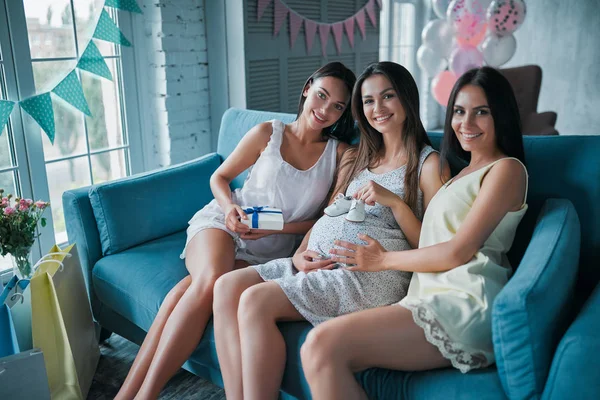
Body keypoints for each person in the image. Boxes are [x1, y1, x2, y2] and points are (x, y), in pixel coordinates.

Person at [114, 61, 357, 400]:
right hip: (223, 224)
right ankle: (145, 395)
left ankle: (127, 395)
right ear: (307, 89)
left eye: (337, 106)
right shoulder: (268, 133)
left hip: (272, 247)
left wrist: (281, 228)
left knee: (187, 292)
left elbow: (327, 217)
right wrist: (230, 209)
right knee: (210, 279)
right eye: (321, 95)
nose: (325, 109)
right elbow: (220, 178)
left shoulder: (340, 154)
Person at [212, 61, 449, 400]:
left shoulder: (429, 164)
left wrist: (395, 204)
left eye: (388, 97)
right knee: (226, 286)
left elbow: (433, 245)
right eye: (368, 101)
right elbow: (328, 213)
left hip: (368, 275)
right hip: (322, 261)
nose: (377, 109)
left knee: (255, 301)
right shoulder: (363, 155)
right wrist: (299, 251)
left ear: (407, 99)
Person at [300, 66, 529, 400]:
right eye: (459, 111)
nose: (466, 124)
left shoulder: (506, 169)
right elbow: (429, 241)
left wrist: (382, 259)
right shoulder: (462, 172)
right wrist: (394, 202)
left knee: (321, 345)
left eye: (482, 112)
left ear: (502, 115)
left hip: (463, 298)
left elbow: (456, 251)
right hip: (425, 294)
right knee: (320, 347)